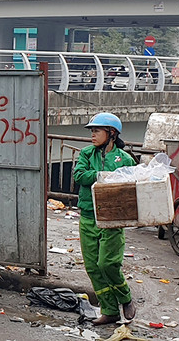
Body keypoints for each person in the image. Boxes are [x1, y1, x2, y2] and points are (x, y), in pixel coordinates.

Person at [72, 112, 137, 325]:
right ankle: (109, 311)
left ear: (111, 133)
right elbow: (79, 176)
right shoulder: (86, 154)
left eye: (96, 130)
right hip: (89, 215)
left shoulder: (124, 159)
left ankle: (125, 298)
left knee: (107, 264)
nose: (92, 134)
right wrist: (100, 176)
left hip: (112, 218)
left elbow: (132, 185)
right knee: (92, 266)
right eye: (91, 130)